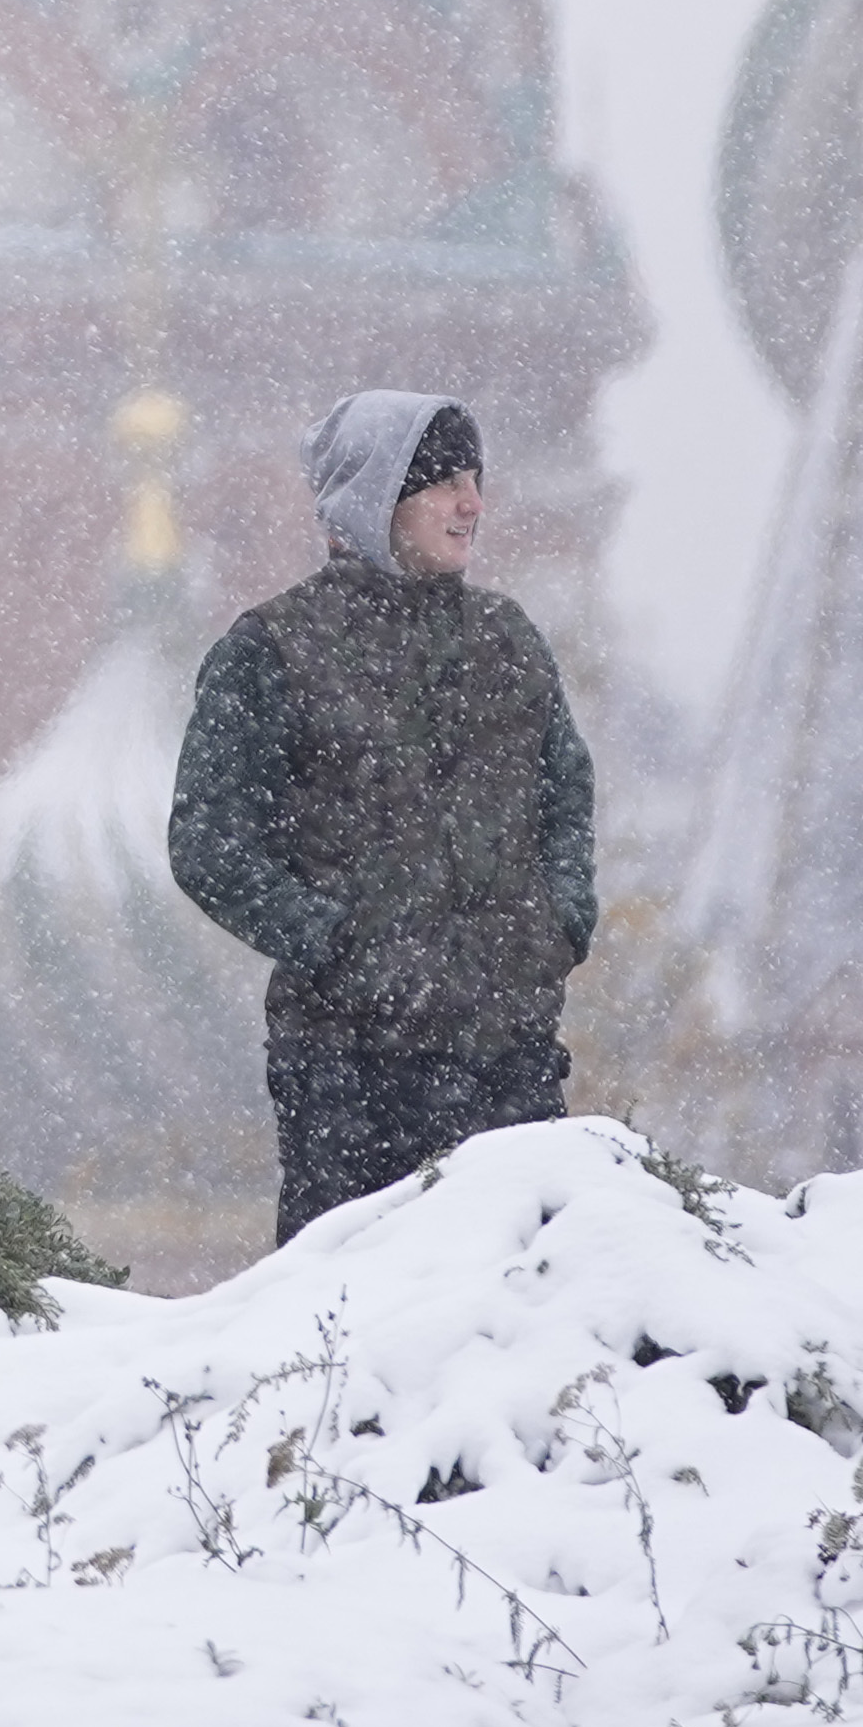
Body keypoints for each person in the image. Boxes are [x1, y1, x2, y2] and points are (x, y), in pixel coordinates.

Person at [164, 390, 597, 1241]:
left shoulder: (505, 638)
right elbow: (207, 841)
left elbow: (565, 796)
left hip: (507, 1054)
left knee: (516, 1316)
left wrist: (557, 923)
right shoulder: (271, 651)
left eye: (475, 479)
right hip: (348, 1068)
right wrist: (335, 942)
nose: (471, 503)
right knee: (346, 1322)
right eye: (441, 483)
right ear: (373, 497)